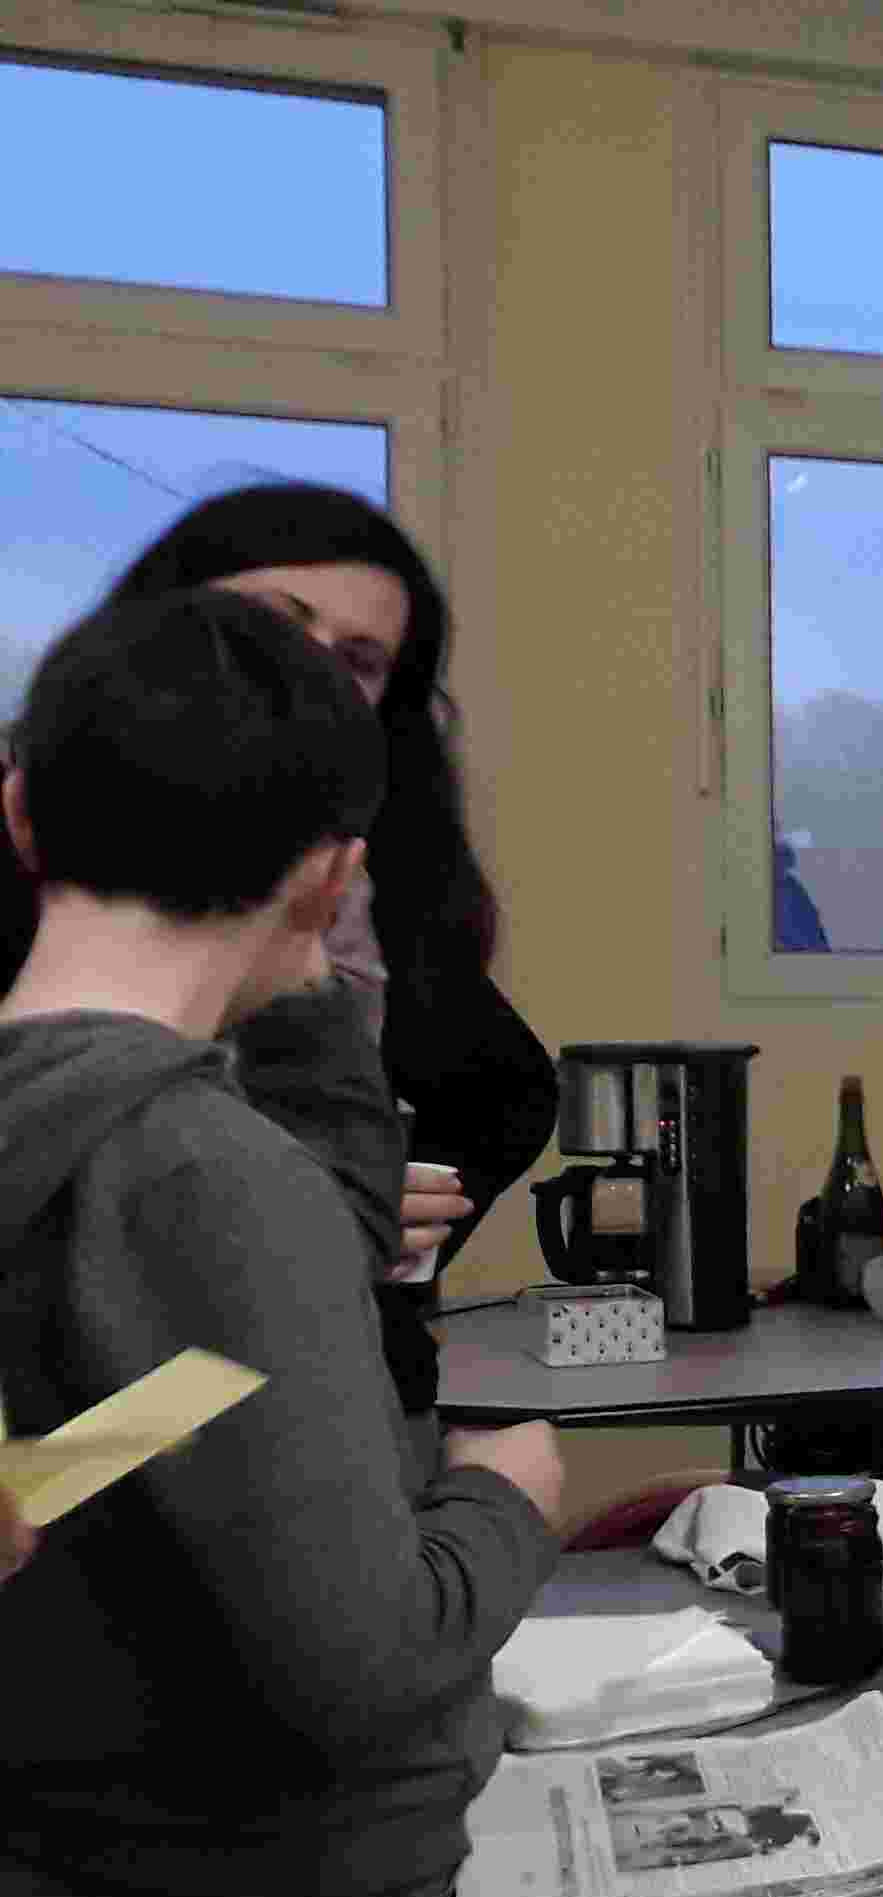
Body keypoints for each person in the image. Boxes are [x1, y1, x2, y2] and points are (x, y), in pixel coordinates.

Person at [0, 587, 567, 1897]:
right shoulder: (197, 1173)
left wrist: (302, 1004)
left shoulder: (83, 1130)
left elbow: (180, 1390)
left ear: (20, 813)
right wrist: (506, 1502)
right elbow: (365, 1658)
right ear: (332, 875)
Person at [0, 485, 560, 1419]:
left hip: (276, 1388)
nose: (306, 674)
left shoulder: (372, 889)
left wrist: (359, 1222)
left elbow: (501, 1093)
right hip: (96, 1411)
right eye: (269, 626)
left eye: (358, 660)